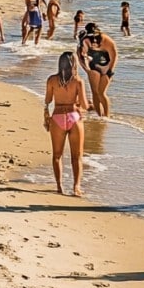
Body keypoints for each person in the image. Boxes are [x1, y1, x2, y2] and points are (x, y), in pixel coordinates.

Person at [43, 52, 89, 196]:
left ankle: (59, 186)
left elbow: (48, 100)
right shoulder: (78, 81)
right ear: (74, 64)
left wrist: (46, 115)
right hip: (73, 116)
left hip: (57, 117)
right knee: (77, 156)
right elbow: (84, 104)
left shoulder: (52, 80)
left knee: (57, 155)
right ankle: (76, 187)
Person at [77, 23, 118, 117]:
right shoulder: (84, 41)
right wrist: (87, 70)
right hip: (93, 65)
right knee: (95, 92)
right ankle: (100, 115)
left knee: (101, 93)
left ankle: (106, 116)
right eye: (92, 37)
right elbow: (80, 56)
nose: (94, 40)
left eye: (96, 37)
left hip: (107, 65)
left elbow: (114, 55)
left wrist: (110, 71)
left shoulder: (107, 40)